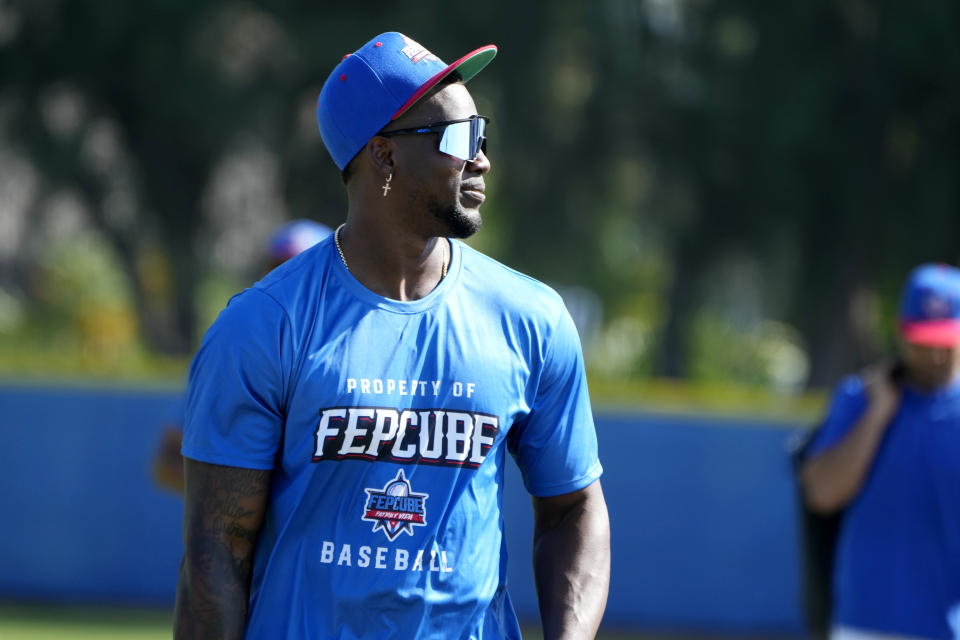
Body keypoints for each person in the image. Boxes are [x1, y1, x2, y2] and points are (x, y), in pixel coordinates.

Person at [173, 31, 610, 640]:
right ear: (383, 155)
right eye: (459, 140)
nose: (481, 159)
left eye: (481, 136)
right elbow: (215, 555)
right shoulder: (263, 326)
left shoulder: (531, 319)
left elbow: (573, 509)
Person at [799, 263, 960, 640]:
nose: (933, 355)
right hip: (864, 625)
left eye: (944, 342)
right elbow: (821, 493)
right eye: (923, 342)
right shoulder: (859, 399)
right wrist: (876, 416)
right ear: (901, 333)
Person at [152, 219, 331, 493]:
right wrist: (246, 499)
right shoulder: (235, 353)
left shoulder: (358, 359)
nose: (289, 278)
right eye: (278, 266)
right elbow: (167, 462)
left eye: (304, 269)